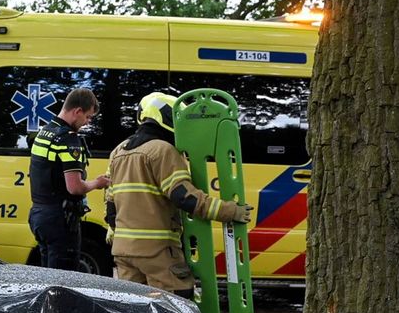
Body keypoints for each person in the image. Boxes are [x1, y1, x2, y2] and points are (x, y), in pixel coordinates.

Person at [103, 92, 253, 298]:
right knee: (174, 303)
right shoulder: (162, 150)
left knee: (135, 311)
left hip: (122, 251)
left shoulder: (118, 152)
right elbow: (184, 197)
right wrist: (230, 211)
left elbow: (110, 203)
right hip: (157, 252)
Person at [27, 88, 111, 270]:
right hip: (60, 220)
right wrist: (97, 183)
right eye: (88, 117)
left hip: (40, 215)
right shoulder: (68, 139)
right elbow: (74, 187)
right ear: (77, 111)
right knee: (63, 281)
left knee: (47, 277)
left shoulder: (45, 132)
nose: (87, 123)